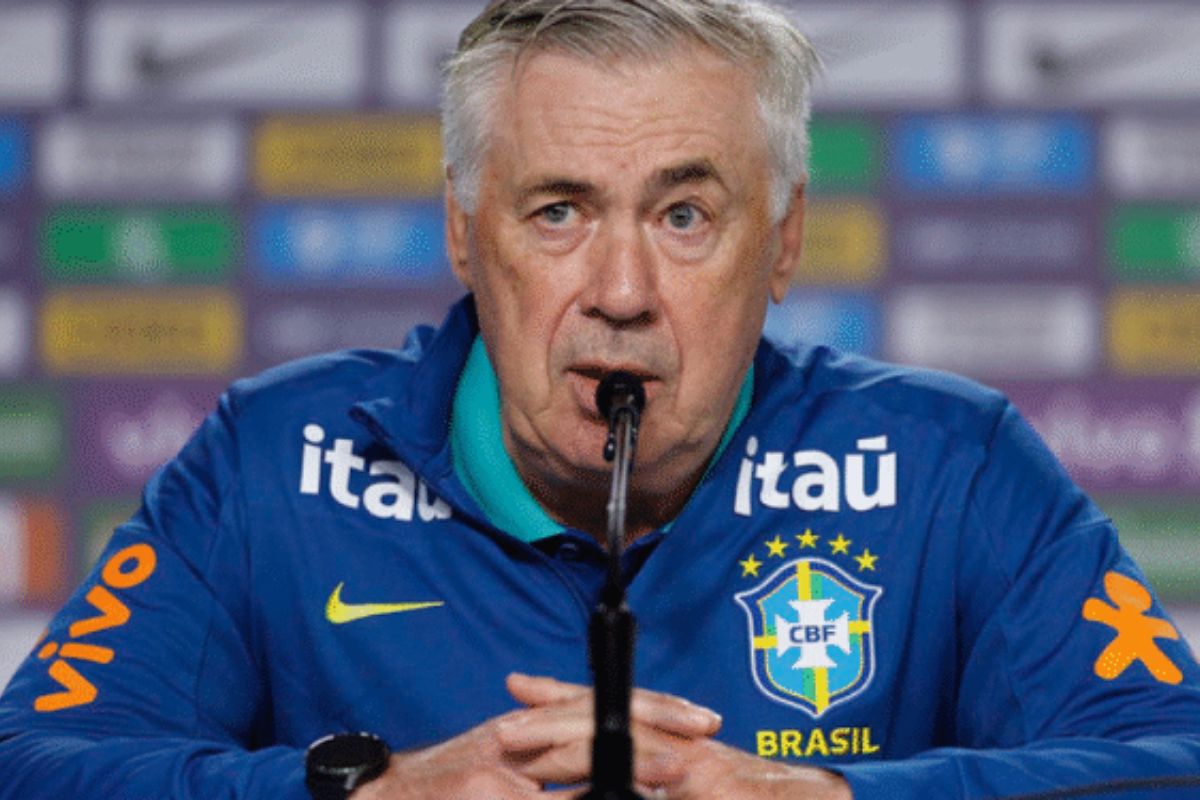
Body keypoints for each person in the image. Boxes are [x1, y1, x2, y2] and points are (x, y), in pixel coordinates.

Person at [3, 0, 1200, 797]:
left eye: (684, 214)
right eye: (559, 210)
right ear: (465, 233)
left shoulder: (950, 465)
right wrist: (363, 788)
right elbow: (32, 762)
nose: (621, 292)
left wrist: (833, 794)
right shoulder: (274, 458)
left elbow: (1176, 757)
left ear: (783, 242)